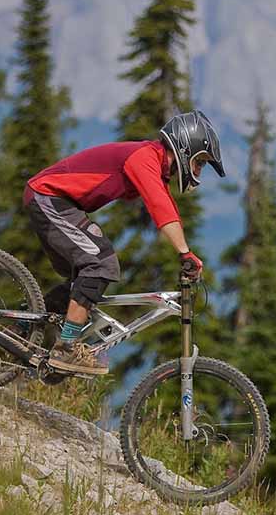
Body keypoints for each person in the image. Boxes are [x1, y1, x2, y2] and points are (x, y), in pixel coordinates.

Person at [22, 110, 225, 377]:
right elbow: (160, 206)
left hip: (62, 203)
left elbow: (167, 207)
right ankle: (66, 347)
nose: (198, 170)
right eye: (199, 162)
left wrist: (185, 252)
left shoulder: (152, 162)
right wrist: (184, 252)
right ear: (185, 148)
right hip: (48, 196)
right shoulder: (144, 157)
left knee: (85, 274)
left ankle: (24, 325)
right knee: (100, 263)